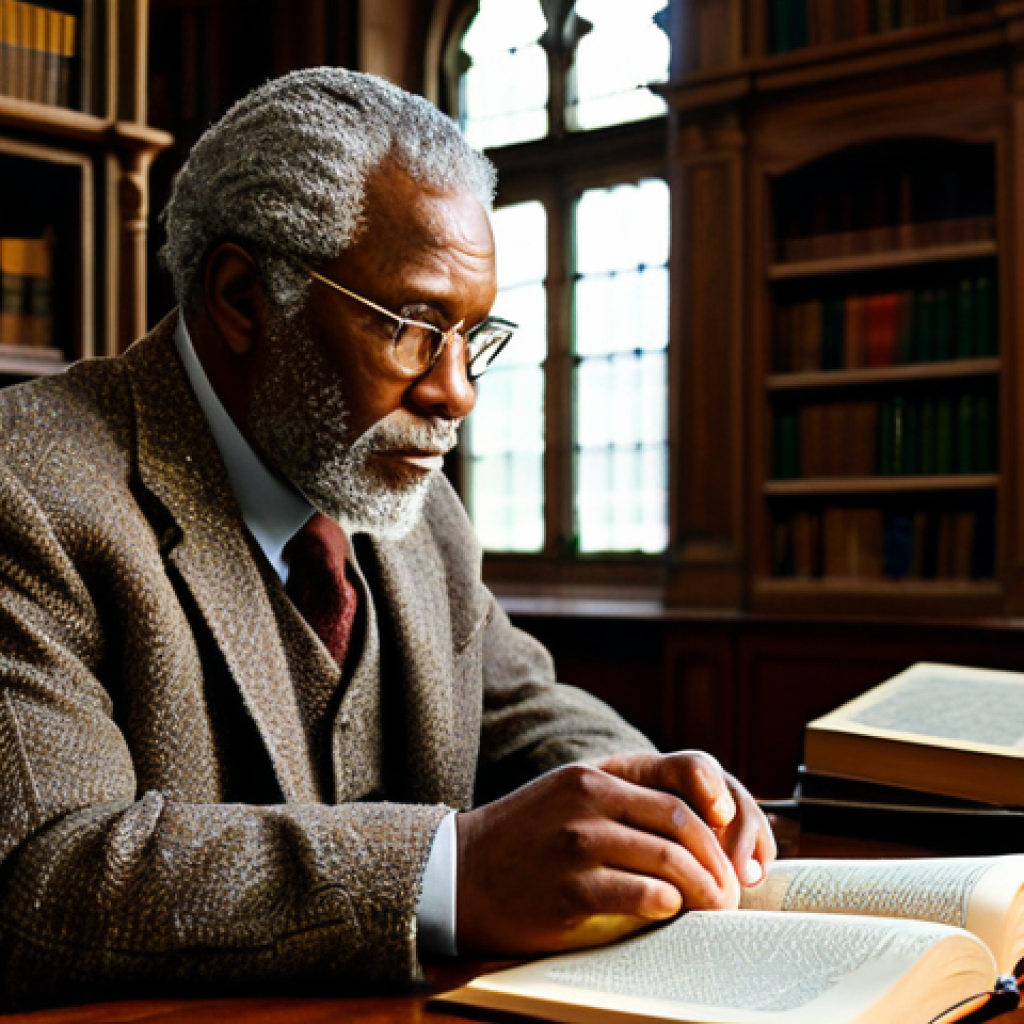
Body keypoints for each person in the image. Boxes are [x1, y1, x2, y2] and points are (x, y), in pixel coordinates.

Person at [0, 68, 774, 1008]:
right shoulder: (26, 485)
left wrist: (661, 801)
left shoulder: (413, 505)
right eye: (415, 325)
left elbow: (522, 711)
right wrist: (452, 873)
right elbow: (42, 881)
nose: (458, 393)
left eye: (474, 337)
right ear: (243, 296)